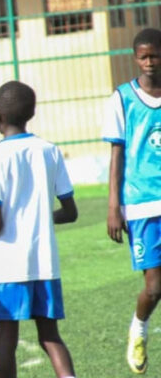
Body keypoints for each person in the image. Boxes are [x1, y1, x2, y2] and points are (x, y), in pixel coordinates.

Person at [0, 81, 77, 378]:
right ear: (32, 113)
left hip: (9, 266)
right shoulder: (50, 151)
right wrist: (38, 215)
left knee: (6, 339)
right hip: (45, 263)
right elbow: (70, 211)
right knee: (50, 336)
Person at [102, 27, 161, 375]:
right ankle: (138, 330)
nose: (150, 62)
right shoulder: (123, 98)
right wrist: (114, 205)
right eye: (143, 56)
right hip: (141, 205)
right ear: (135, 58)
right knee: (154, 287)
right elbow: (117, 154)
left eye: (155, 54)